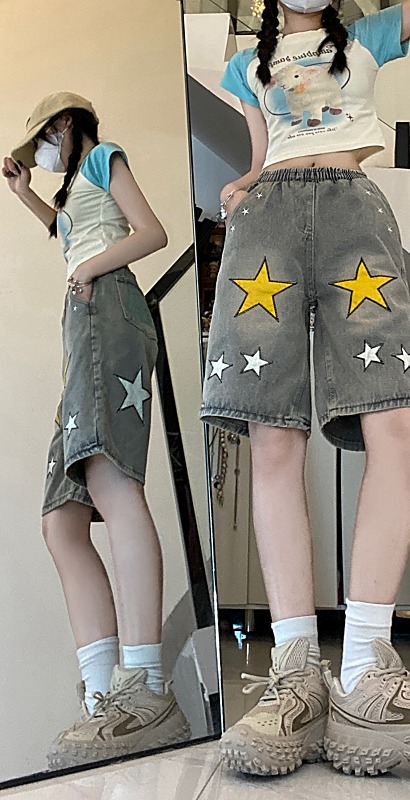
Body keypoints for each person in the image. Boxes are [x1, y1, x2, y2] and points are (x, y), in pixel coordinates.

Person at [200, 0, 410, 778]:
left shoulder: (367, 34)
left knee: (398, 420)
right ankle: (294, 676)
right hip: (265, 222)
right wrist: (243, 184)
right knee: (273, 433)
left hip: (352, 213)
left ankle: (365, 671)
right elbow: (263, 152)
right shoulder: (245, 65)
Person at [3, 92, 190, 769]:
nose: (40, 153)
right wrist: (25, 194)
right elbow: (70, 232)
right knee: (61, 519)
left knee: (111, 481)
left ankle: (145, 685)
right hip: (84, 319)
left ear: (63, 126)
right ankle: (105, 692)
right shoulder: (74, 186)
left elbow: (151, 232)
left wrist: (86, 269)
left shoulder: (104, 157)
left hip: (106, 310)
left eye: (41, 141)